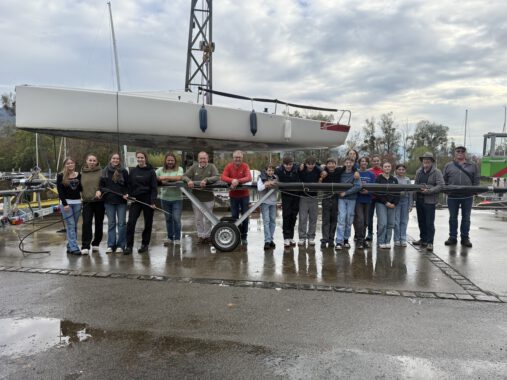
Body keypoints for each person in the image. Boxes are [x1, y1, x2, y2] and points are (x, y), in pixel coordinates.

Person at [442, 145, 480, 247]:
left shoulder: (472, 165)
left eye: (462, 151)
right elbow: (443, 180)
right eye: (458, 151)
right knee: (453, 218)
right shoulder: (448, 165)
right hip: (452, 196)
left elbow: (476, 179)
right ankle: (452, 237)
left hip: (467, 196)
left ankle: (465, 238)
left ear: (465, 153)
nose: (460, 152)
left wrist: (475, 190)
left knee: (466, 218)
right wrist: (445, 190)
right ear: (455, 153)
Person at [182, 151, 219, 244]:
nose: (202, 160)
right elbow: (184, 176)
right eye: (201, 158)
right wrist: (189, 181)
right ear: (198, 159)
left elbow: (217, 177)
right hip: (196, 198)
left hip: (209, 198)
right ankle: (201, 236)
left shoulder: (212, 166)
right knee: (198, 218)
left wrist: (206, 180)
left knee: (208, 218)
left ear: (207, 159)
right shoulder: (194, 167)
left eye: (204, 158)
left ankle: (207, 236)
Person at [125, 151, 158, 255]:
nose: (140, 159)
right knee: (131, 222)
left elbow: (154, 188)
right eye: (138, 157)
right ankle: (129, 246)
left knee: (148, 223)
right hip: (136, 200)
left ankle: (145, 244)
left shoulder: (151, 171)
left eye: (142, 157)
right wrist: (128, 194)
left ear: (145, 158)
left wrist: (153, 201)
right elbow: (129, 185)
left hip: (148, 200)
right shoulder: (133, 171)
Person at [413, 152, 444, 251]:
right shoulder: (419, 171)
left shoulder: (437, 172)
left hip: (430, 201)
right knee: (421, 221)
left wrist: (429, 191)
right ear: (422, 161)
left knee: (429, 223)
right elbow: (415, 184)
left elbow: (441, 185)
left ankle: (430, 242)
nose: (426, 161)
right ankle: (423, 239)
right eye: (424, 160)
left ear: (432, 162)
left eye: (428, 160)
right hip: (419, 200)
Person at [221, 150, 252, 245]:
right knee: (234, 217)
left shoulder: (245, 166)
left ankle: (244, 236)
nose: (237, 159)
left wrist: (237, 181)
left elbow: (249, 177)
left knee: (245, 216)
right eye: (236, 157)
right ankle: (236, 235)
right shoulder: (229, 166)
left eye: (239, 157)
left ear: (242, 158)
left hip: (244, 195)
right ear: (233, 158)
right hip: (234, 196)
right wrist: (232, 180)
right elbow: (223, 177)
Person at [100, 153, 129, 254]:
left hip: (121, 201)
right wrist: (101, 191)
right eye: (114, 158)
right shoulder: (105, 171)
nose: (115, 160)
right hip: (109, 201)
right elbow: (101, 185)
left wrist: (126, 193)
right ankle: (110, 245)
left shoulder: (124, 171)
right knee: (111, 223)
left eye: (117, 159)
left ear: (119, 160)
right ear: (110, 159)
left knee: (121, 224)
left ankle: (121, 245)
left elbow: (127, 185)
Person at [156, 152, 184, 246]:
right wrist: (160, 180)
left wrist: (166, 177)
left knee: (176, 219)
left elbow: (179, 177)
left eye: (172, 160)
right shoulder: (160, 170)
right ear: (165, 161)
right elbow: (154, 177)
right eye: (168, 160)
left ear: (175, 161)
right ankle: (170, 237)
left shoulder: (179, 169)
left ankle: (177, 238)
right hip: (164, 199)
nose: (170, 162)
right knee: (168, 219)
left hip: (177, 199)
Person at [56, 157, 82, 255]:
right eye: (68, 163)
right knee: (71, 225)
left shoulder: (79, 175)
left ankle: (70, 245)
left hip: (77, 203)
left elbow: (81, 188)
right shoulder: (61, 176)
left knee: (74, 225)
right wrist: (65, 203)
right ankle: (74, 247)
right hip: (66, 204)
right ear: (65, 165)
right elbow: (60, 191)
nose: (70, 165)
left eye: (72, 163)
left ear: (74, 164)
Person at [80, 153, 104, 255]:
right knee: (86, 223)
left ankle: (96, 243)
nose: (92, 162)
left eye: (94, 161)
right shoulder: (82, 173)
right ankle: (85, 245)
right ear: (86, 161)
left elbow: (105, 185)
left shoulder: (101, 172)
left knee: (99, 223)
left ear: (97, 161)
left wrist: (100, 191)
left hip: (99, 202)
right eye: (90, 160)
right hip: (87, 202)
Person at [334, 157, 361, 250]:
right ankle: (339, 241)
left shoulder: (355, 174)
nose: (349, 164)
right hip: (341, 199)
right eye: (347, 162)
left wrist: (346, 192)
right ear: (344, 163)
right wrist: (340, 192)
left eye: (351, 162)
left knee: (349, 219)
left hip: (351, 199)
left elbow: (358, 186)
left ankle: (346, 240)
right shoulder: (340, 173)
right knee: (341, 218)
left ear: (353, 164)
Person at [275, 155, 300, 247]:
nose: (288, 166)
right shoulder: (279, 170)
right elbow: (267, 171)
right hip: (286, 196)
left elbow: (315, 166)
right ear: (283, 164)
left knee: (293, 216)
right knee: (286, 216)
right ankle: (286, 237)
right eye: (286, 165)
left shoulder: (297, 168)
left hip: (296, 195)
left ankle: (291, 237)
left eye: (290, 164)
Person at [319, 157, 344, 248]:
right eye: (329, 163)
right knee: (326, 219)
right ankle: (324, 239)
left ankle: (331, 239)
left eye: (333, 163)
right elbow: (318, 166)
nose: (331, 165)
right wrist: (322, 172)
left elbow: (350, 166)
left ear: (335, 164)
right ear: (326, 165)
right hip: (326, 197)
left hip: (336, 197)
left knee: (334, 219)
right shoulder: (324, 172)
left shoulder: (339, 171)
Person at [297, 156, 322, 246]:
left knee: (313, 218)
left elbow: (323, 170)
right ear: (305, 164)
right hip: (303, 197)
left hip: (314, 197)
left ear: (315, 164)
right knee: (302, 218)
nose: (310, 166)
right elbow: (296, 167)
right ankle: (302, 237)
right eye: (309, 164)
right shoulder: (302, 169)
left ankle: (311, 237)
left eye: (312, 164)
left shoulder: (317, 170)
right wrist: (301, 165)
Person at [375, 161, 399, 249]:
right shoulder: (378, 178)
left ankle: (387, 241)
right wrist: (386, 202)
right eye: (385, 167)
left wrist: (394, 203)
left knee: (390, 224)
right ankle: (381, 241)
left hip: (392, 205)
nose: (387, 168)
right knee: (382, 223)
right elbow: (376, 192)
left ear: (391, 168)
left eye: (389, 166)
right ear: (382, 168)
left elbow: (397, 193)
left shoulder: (394, 179)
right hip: (381, 204)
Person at [353, 156, 375, 249]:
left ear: (367, 163)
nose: (364, 163)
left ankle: (363, 239)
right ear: (359, 163)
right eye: (362, 161)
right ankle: (359, 240)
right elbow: (352, 185)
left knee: (366, 221)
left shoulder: (371, 174)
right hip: (358, 199)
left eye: (365, 161)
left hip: (368, 200)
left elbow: (375, 187)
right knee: (360, 220)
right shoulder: (356, 173)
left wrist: (368, 192)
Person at [257, 164, 278, 250]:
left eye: (272, 170)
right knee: (266, 221)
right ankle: (267, 241)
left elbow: (278, 185)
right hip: (265, 202)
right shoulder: (261, 178)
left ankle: (271, 239)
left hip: (273, 202)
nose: (271, 172)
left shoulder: (276, 177)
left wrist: (272, 183)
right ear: (266, 171)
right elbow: (259, 188)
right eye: (269, 170)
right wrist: (267, 184)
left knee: (273, 221)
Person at [393, 164, 413, 247]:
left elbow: (410, 193)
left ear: (405, 171)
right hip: (397, 202)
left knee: (404, 221)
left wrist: (410, 204)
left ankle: (403, 238)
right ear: (396, 170)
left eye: (403, 169)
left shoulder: (407, 180)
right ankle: (397, 239)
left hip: (405, 201)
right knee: (396, 221)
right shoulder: (394, 179)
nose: (401, 171)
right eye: (399, 169)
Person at [366, 155, 383, 241]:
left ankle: (379, 233)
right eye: (374, 161)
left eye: (377, 161)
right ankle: (369, 233)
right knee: (369, 216)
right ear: (372, 162)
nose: (376, 162)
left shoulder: (383, 171)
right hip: (371, 197)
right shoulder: (369, 171)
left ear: (380, 161)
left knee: (380, 216)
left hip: (380, 197)